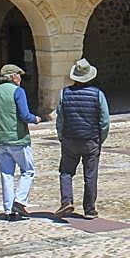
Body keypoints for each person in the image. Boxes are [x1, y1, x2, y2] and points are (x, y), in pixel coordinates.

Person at [0, 63, 41, 222]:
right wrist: (35, 119)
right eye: (19, 75)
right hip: (17, 139)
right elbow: (24, 114)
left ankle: (8, 210)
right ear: (13, 77)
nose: (20, 78)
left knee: (6, 175)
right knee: (28, 170)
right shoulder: (18, 91)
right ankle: (20, 201)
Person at [55, 58, 110, 220]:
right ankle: (89, 209)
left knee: (66, 172)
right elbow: (104, 121)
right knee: (90, 174)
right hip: (90, 140)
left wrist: (61, 136)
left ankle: (66, 200)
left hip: (70, 138)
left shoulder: (64, 93)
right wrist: (101, 139)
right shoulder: (97, 95)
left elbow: (60, 119)